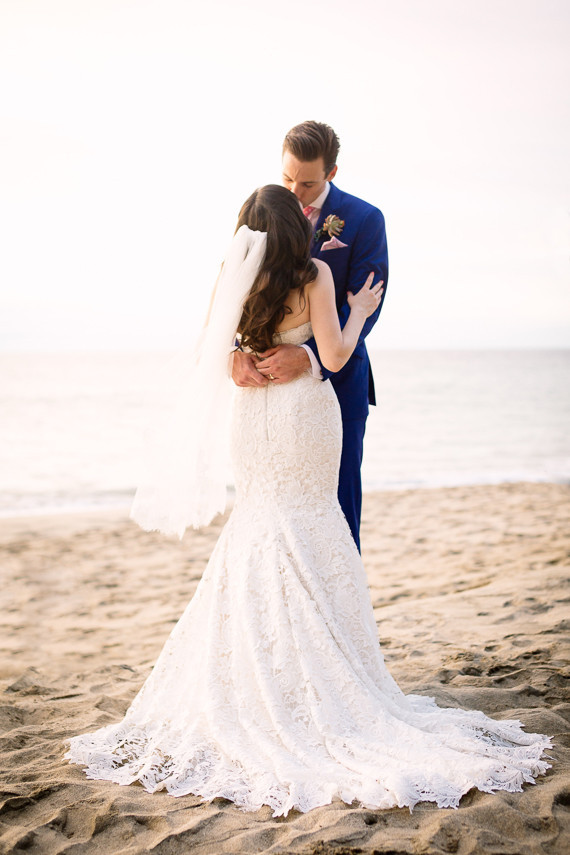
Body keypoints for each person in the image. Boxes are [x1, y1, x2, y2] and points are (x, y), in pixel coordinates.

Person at [65, 185, 551, 818]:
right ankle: (325, 674)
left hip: (253, 417)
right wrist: (357, 307)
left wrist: (241, 356)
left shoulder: (235, 279)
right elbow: (337, 353)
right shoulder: (314, 273)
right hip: (300, 413)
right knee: (312, 519)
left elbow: (212, 352)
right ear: (294, 225)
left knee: (260, 523)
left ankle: (255, 673)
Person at [232, 121, 388, 551]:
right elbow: (234, 297)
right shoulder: (262, 214)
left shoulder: (364, 219)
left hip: (336, 385)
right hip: (265, 396)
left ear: (331, 174)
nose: (294, 192)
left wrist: (308, 354)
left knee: (336, 512)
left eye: (307, 183)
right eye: (286, 178)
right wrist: (233, 352)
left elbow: (367, 302)